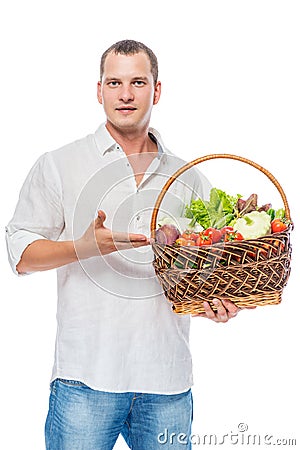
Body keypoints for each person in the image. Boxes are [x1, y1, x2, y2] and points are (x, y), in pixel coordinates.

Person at [6, 40, 240, 450]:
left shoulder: (189, 178)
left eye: (138, 82)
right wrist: (83, 246)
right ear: (99, 91)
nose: (126, 94)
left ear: (157, 90)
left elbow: (204, 272)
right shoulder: (59, 164)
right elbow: (21, 255)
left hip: (167, 382)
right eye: (114, 82)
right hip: (85, 381)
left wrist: (215, 302)